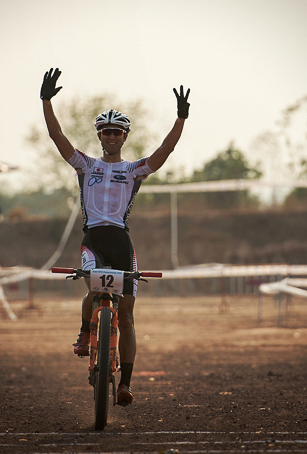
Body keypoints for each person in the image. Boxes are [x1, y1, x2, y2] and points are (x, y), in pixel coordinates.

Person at [40, 67, 190, 407]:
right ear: (99, 135)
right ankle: (84, 331)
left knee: (126, 315)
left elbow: (163, 152)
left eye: (117, 132)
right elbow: (57, 136)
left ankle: (125, 384)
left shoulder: (133, 170)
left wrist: (180, 119)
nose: (111, 136)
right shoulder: (85, 165)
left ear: (124, 137)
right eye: (106, 131)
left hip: (121, 242)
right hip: (93, 239)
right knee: (95, 290)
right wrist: (46, 101)